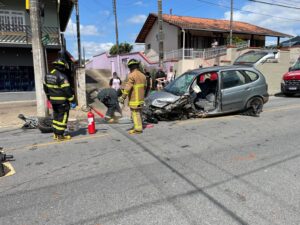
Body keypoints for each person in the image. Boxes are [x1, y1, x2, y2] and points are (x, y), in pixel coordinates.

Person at [44, 58, 76, 141]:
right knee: (63, 118)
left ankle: (55, 134)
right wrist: (72, 100)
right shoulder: (62, 76)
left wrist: (49, 98)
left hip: (53, 101)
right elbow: (67, 90)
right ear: (62, 66)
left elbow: (45, 88)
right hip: (62, 102)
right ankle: (60, 136)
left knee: (56, 117)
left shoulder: (48, 75)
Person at [118, 59, 146, 135]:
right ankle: (139, 126)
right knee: (139, 113)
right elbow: (146, 87)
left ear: (130, 67)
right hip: (141, 99)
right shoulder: (143, 75)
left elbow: (128, 87)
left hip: (134, 99)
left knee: (135, 113)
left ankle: (138, 129)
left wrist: (123, 97)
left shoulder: (132, 75)